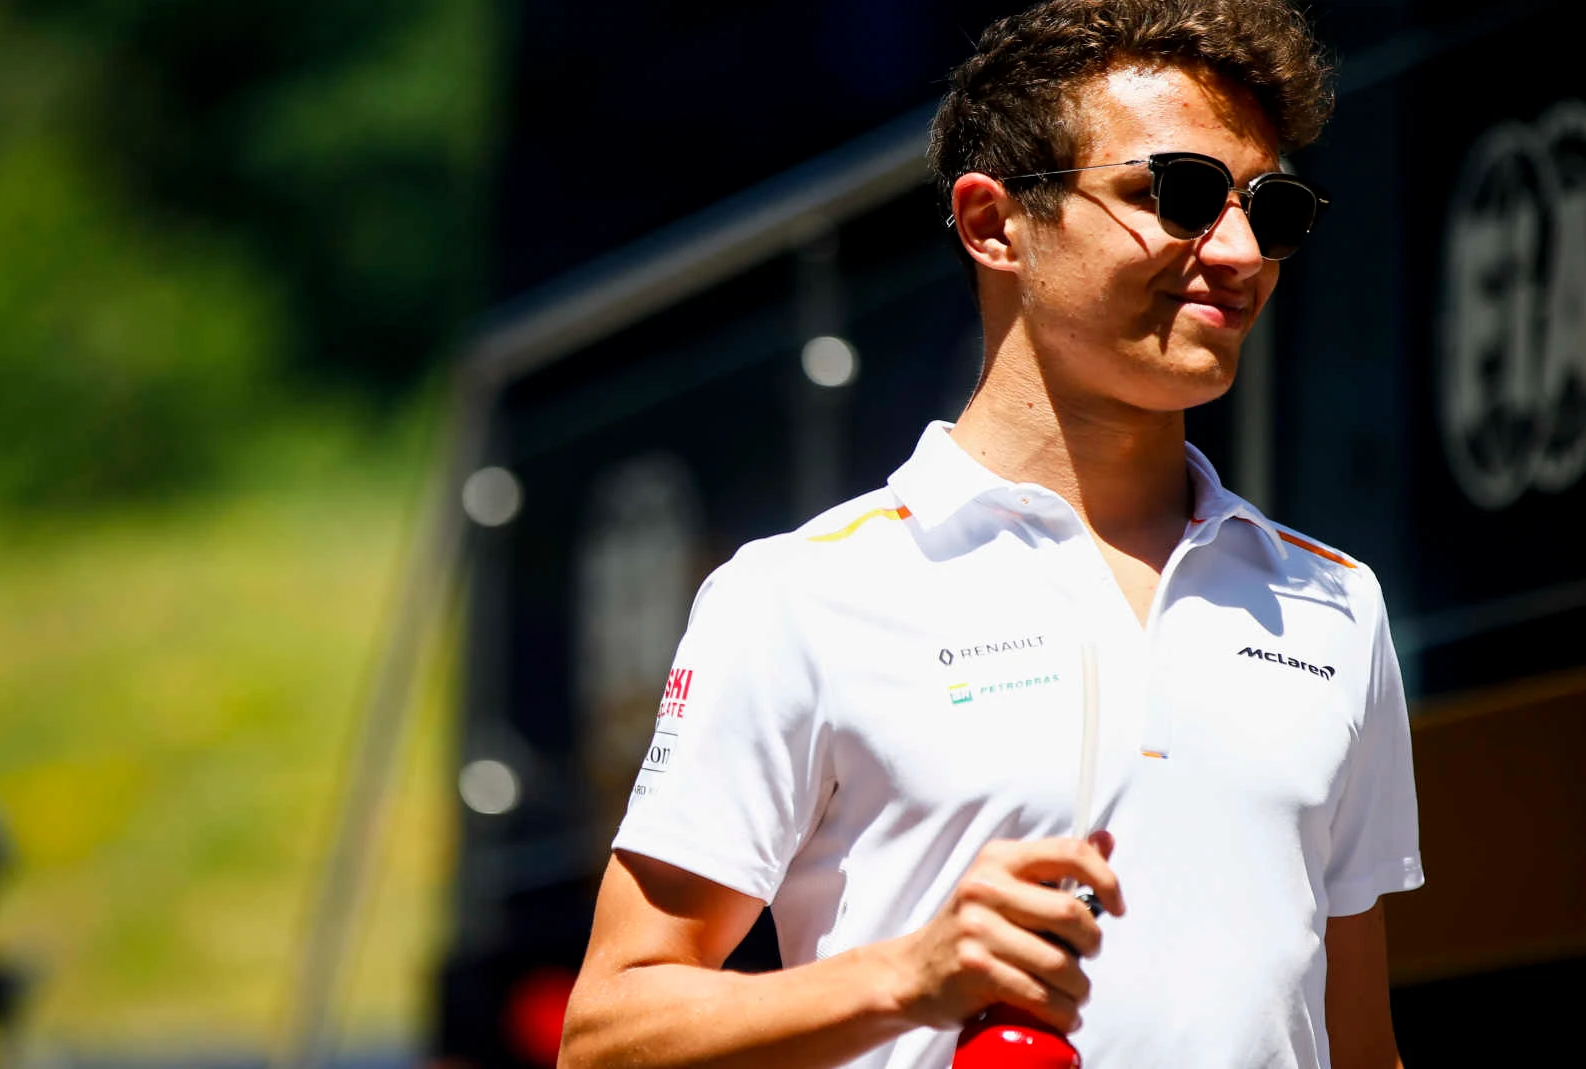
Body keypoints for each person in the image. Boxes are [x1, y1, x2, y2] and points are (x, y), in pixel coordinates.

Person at [558, 1, 1422, 1067]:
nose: (1239, 252)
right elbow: (604, 1034)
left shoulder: (1335, 603)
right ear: (990, 223)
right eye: (1180, 196)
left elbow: (1358, 1039)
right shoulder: (794, 595)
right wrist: (906, 976)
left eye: (1272, 209)